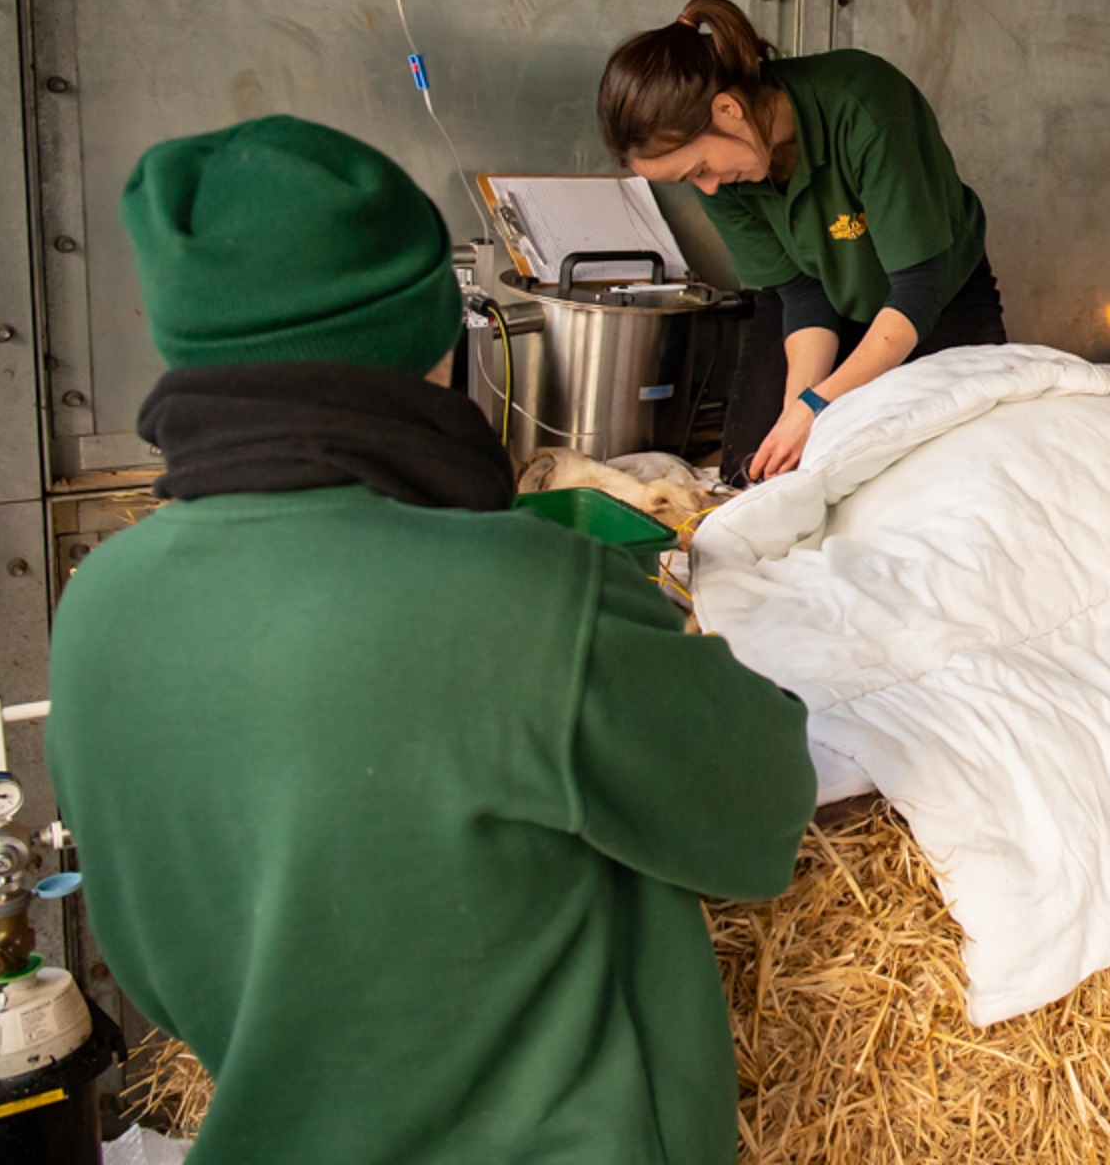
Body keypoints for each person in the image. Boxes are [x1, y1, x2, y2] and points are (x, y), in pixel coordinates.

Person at [46, 117, 817, 1165]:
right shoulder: (527, 597)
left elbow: (156, 960)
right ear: (434, 337)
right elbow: (759, 809)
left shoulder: (99, 610)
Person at [599, 0, 1003, 484]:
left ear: (727, 109)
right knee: (755, 476)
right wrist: (798, 413)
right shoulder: (721, 172)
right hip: (822, 304)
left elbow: (917, 291)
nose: (706, 187)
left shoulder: (864, 106)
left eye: (702, 168)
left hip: (933, 305)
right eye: (689, 180)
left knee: (936, 482)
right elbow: (801, 294)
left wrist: (820, 406)